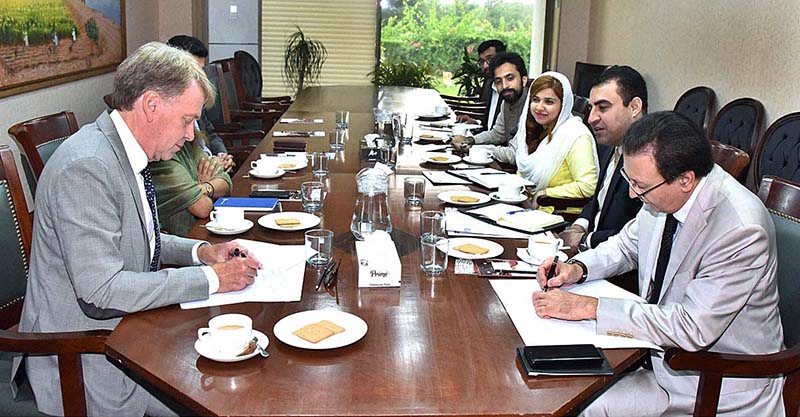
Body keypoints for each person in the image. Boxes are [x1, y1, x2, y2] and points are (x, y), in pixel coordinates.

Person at [13, 42, 263, 417]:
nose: (193, 134)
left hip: (130, 334)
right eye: (186, 119)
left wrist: (202, 253)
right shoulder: (88, 167)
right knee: (233, 398)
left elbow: (139, 237)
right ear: (151, 105)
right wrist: (212, 279)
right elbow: (101, 293)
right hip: (85, 361)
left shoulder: (128, 150)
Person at [533, 112, 785, 417]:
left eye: (640, 185)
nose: (631, 193)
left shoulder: (740, 229)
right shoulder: (663, 193)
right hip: (657, 356)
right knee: (553, 382)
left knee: (579, 406)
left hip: (711, 381)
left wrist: (589, 307)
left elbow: (692, 328)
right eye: (629, 180)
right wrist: (577, 268)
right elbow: (626, 246)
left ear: (685, 180)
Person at [559, 66, 646, 251]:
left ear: (634, 107)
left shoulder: (650, 159)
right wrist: (578, 226)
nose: (591, 118)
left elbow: (640, 234)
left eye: (603, 108)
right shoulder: (612, 144)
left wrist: (584, 240)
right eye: (591, 108)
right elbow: (597, 200)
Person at [502, 71, 598, 211]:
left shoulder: (576, 136)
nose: (539, 107)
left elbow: (588, 186)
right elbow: (523, 173)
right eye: (535, 100)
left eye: (549, 102)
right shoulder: (535, 128)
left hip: (560, 216)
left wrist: (546, 193)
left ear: (563, 105)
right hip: (527, 208)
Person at [166, 35, 236, 173]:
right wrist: (209, 164)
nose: (199, 78)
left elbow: (210, 133)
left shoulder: (196, 99)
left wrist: (221, 154)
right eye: (193, 72)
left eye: (201, 71)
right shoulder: (168, 111)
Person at [149, 127, 232, 236]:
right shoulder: (160, 157)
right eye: (186, 120)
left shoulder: (187, 144)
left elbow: (226, 182)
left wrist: (204, 187)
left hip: (202, 234)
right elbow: (203, 208)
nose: (191, 133)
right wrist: (210, 188)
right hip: (180, 245)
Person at [452, 52, 530, 152]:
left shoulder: (533, 105)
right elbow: (497, 134)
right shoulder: (507, 102)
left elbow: (515, 154)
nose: (505, 86)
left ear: (524, 80)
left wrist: (472, 148)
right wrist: (470, 140)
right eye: (498, 81)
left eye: (510, 78)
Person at [457, 39, 505, 129]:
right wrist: (475, 121)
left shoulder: (510, 90)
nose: (485, 66)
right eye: (482, 62)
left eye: (490, 59)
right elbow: (488, 120)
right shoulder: (489, 83)